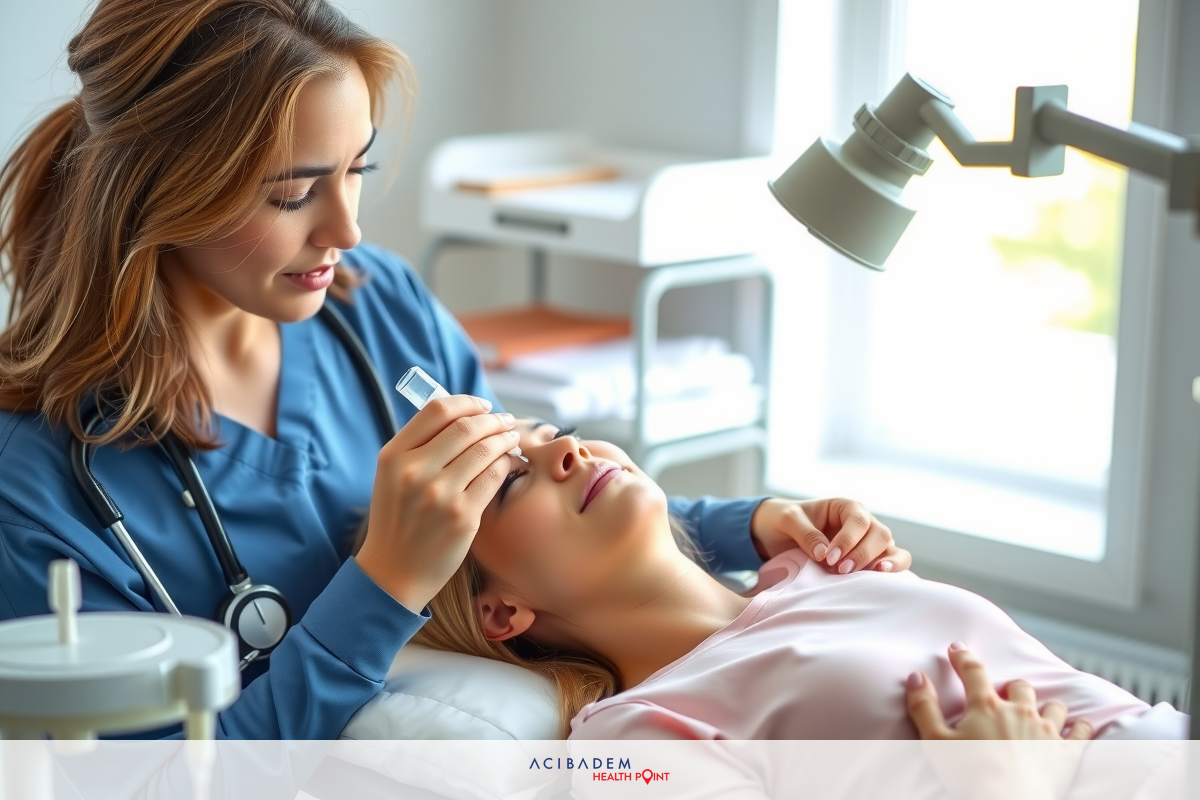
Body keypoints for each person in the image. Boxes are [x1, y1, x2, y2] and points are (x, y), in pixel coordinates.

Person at [0, 0, 909, 739]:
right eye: (291, 194)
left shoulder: (374, 305)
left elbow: (534, 520)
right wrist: (386, 585)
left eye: (357, 171)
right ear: (164, 186)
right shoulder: (35, 485)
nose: (346, 232)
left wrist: (749, 525)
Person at [411, 420, 1189, 742]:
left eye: (552, 435)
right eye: (512, 484)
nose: (568, 452)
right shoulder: (637, 735)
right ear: (501, 611)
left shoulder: (819, 564)